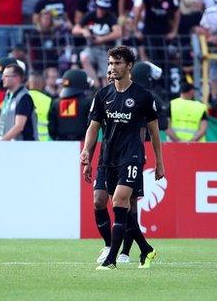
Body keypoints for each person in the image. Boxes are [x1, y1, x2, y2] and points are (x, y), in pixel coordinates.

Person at [81, 45, 164, 270]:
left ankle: (112, 260)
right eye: (110, 63)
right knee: (100, 201)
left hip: (132, 157)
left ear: (129, 66)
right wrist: (87, 151)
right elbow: (93, 127)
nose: (112, 67)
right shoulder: (102, 95)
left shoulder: (143, 97)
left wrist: (159, 162)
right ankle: (145, 249)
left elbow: (154, 131)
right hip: (107, 157)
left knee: (119, 202)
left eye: (117, 63)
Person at [73, 0, 121, 85]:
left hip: (106, 50)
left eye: (103, 8)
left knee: (105, 77)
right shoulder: (91, 14)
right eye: (99, 7)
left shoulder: (111, 17)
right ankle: (95, 85)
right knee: (84, 57)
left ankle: (104, 91)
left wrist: (102, 39)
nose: (100, 10)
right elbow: (75, 29)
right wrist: (84, 31)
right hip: (92, 47)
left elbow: (118, 33)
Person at [0, 63, 38, 141]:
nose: (2, 78)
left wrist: (2, 141)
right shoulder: (8, 96)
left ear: (17, 78)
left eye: (6, 76)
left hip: (23, 146)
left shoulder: (24, 97)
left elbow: (19, 126)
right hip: (11, 145)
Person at [47, 68, 92, 140]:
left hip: (61, 143)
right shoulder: (88, 103)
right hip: (83, 144)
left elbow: (51, 128)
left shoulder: (56, 103)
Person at [27, 71, 53, 141]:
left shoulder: (23, 97)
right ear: (43, 84)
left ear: (28, 83)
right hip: (45, 140)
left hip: (26, 141)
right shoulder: (49, 100)